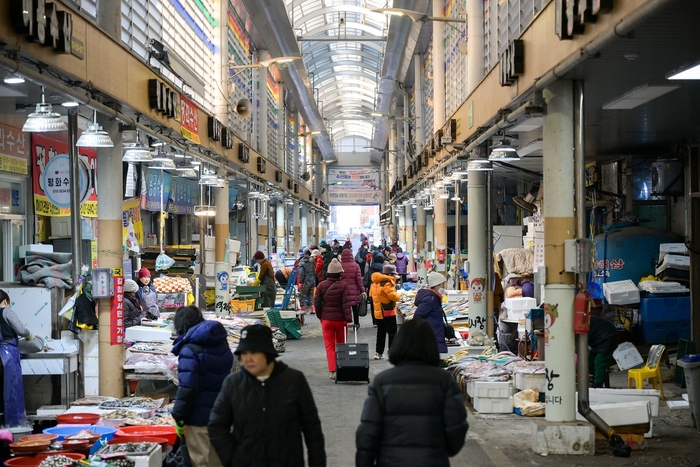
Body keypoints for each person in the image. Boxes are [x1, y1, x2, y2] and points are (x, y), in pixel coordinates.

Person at [208, 325, 327, 466]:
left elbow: (312, 428)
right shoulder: (233, 384)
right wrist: (233, 458)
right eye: (244, 353)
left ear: (267, 352)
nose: (248, 359)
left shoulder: (293, 380)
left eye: (254, 352)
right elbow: (216, 426)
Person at [355, 319, 468, 467]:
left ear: (399, 344)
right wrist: (440, 450)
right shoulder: (444, 381)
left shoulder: (382, 381)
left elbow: (367, 433)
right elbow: (457, 428)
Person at [171, 307, 233, 467]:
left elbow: (188, 387)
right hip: (221, 414)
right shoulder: (220, 344)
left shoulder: (189, 349)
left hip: (199, 417)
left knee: (201, 461)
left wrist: (178, 414)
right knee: (217, 460)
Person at [0, 289, 36, 427]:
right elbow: (20, 330)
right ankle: (15, 425)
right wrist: (29, 334)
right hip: (7, 354)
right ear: (5, 301)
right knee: (12, 389)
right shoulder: (6, 311)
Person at [315, 258, 352, 380]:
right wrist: (349, 320)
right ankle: (342, 368)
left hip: (326, 320)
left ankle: (332, 371)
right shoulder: (344, 286)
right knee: (342, 344)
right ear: (340, 273)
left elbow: (317, 303)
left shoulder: (321, 285)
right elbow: (346, 305)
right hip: (341, 321)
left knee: (329, 346)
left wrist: (320, 316)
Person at [370, 264, 401, 360]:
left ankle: (378, 353)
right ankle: (391, 353)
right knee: (392, 333)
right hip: (388, 312)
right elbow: (393, 297)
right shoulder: (387, 283)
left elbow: (371, 295)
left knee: (381, 333)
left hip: (378, 313)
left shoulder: (374, 283)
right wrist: (399, 295)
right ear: (390, 274)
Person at [413, 272, 448, 353]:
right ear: (437, 286)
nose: (444, 287)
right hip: (433, 337)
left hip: (435, 335)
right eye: (442, 285)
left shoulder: (434, 298)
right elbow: (418, 315)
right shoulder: (430, 299)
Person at [588, 315, 618, 388]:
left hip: (607, 338)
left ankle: (597, 385)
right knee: (589, 359)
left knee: (600, 361)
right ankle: (592, 380)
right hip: (597, 339)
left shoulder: (581, 321)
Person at [340, 248, 366, 328]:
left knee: (344, 308)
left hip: (343, 290)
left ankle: (345, 323)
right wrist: (362, 290)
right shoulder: (356, 265)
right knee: (355, 308)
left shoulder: (340, 266)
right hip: (354, 290)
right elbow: (359, 280)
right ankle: (356, 323)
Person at [298, 250, 317, 315]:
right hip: (312, 280)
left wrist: (300, 281)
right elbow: (314, 271)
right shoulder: (311, 262)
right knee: (311, 294)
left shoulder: (301, 263)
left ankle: (303, 309)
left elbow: (301, 273)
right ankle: (313, 309)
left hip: (306, 281)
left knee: (301, 294)